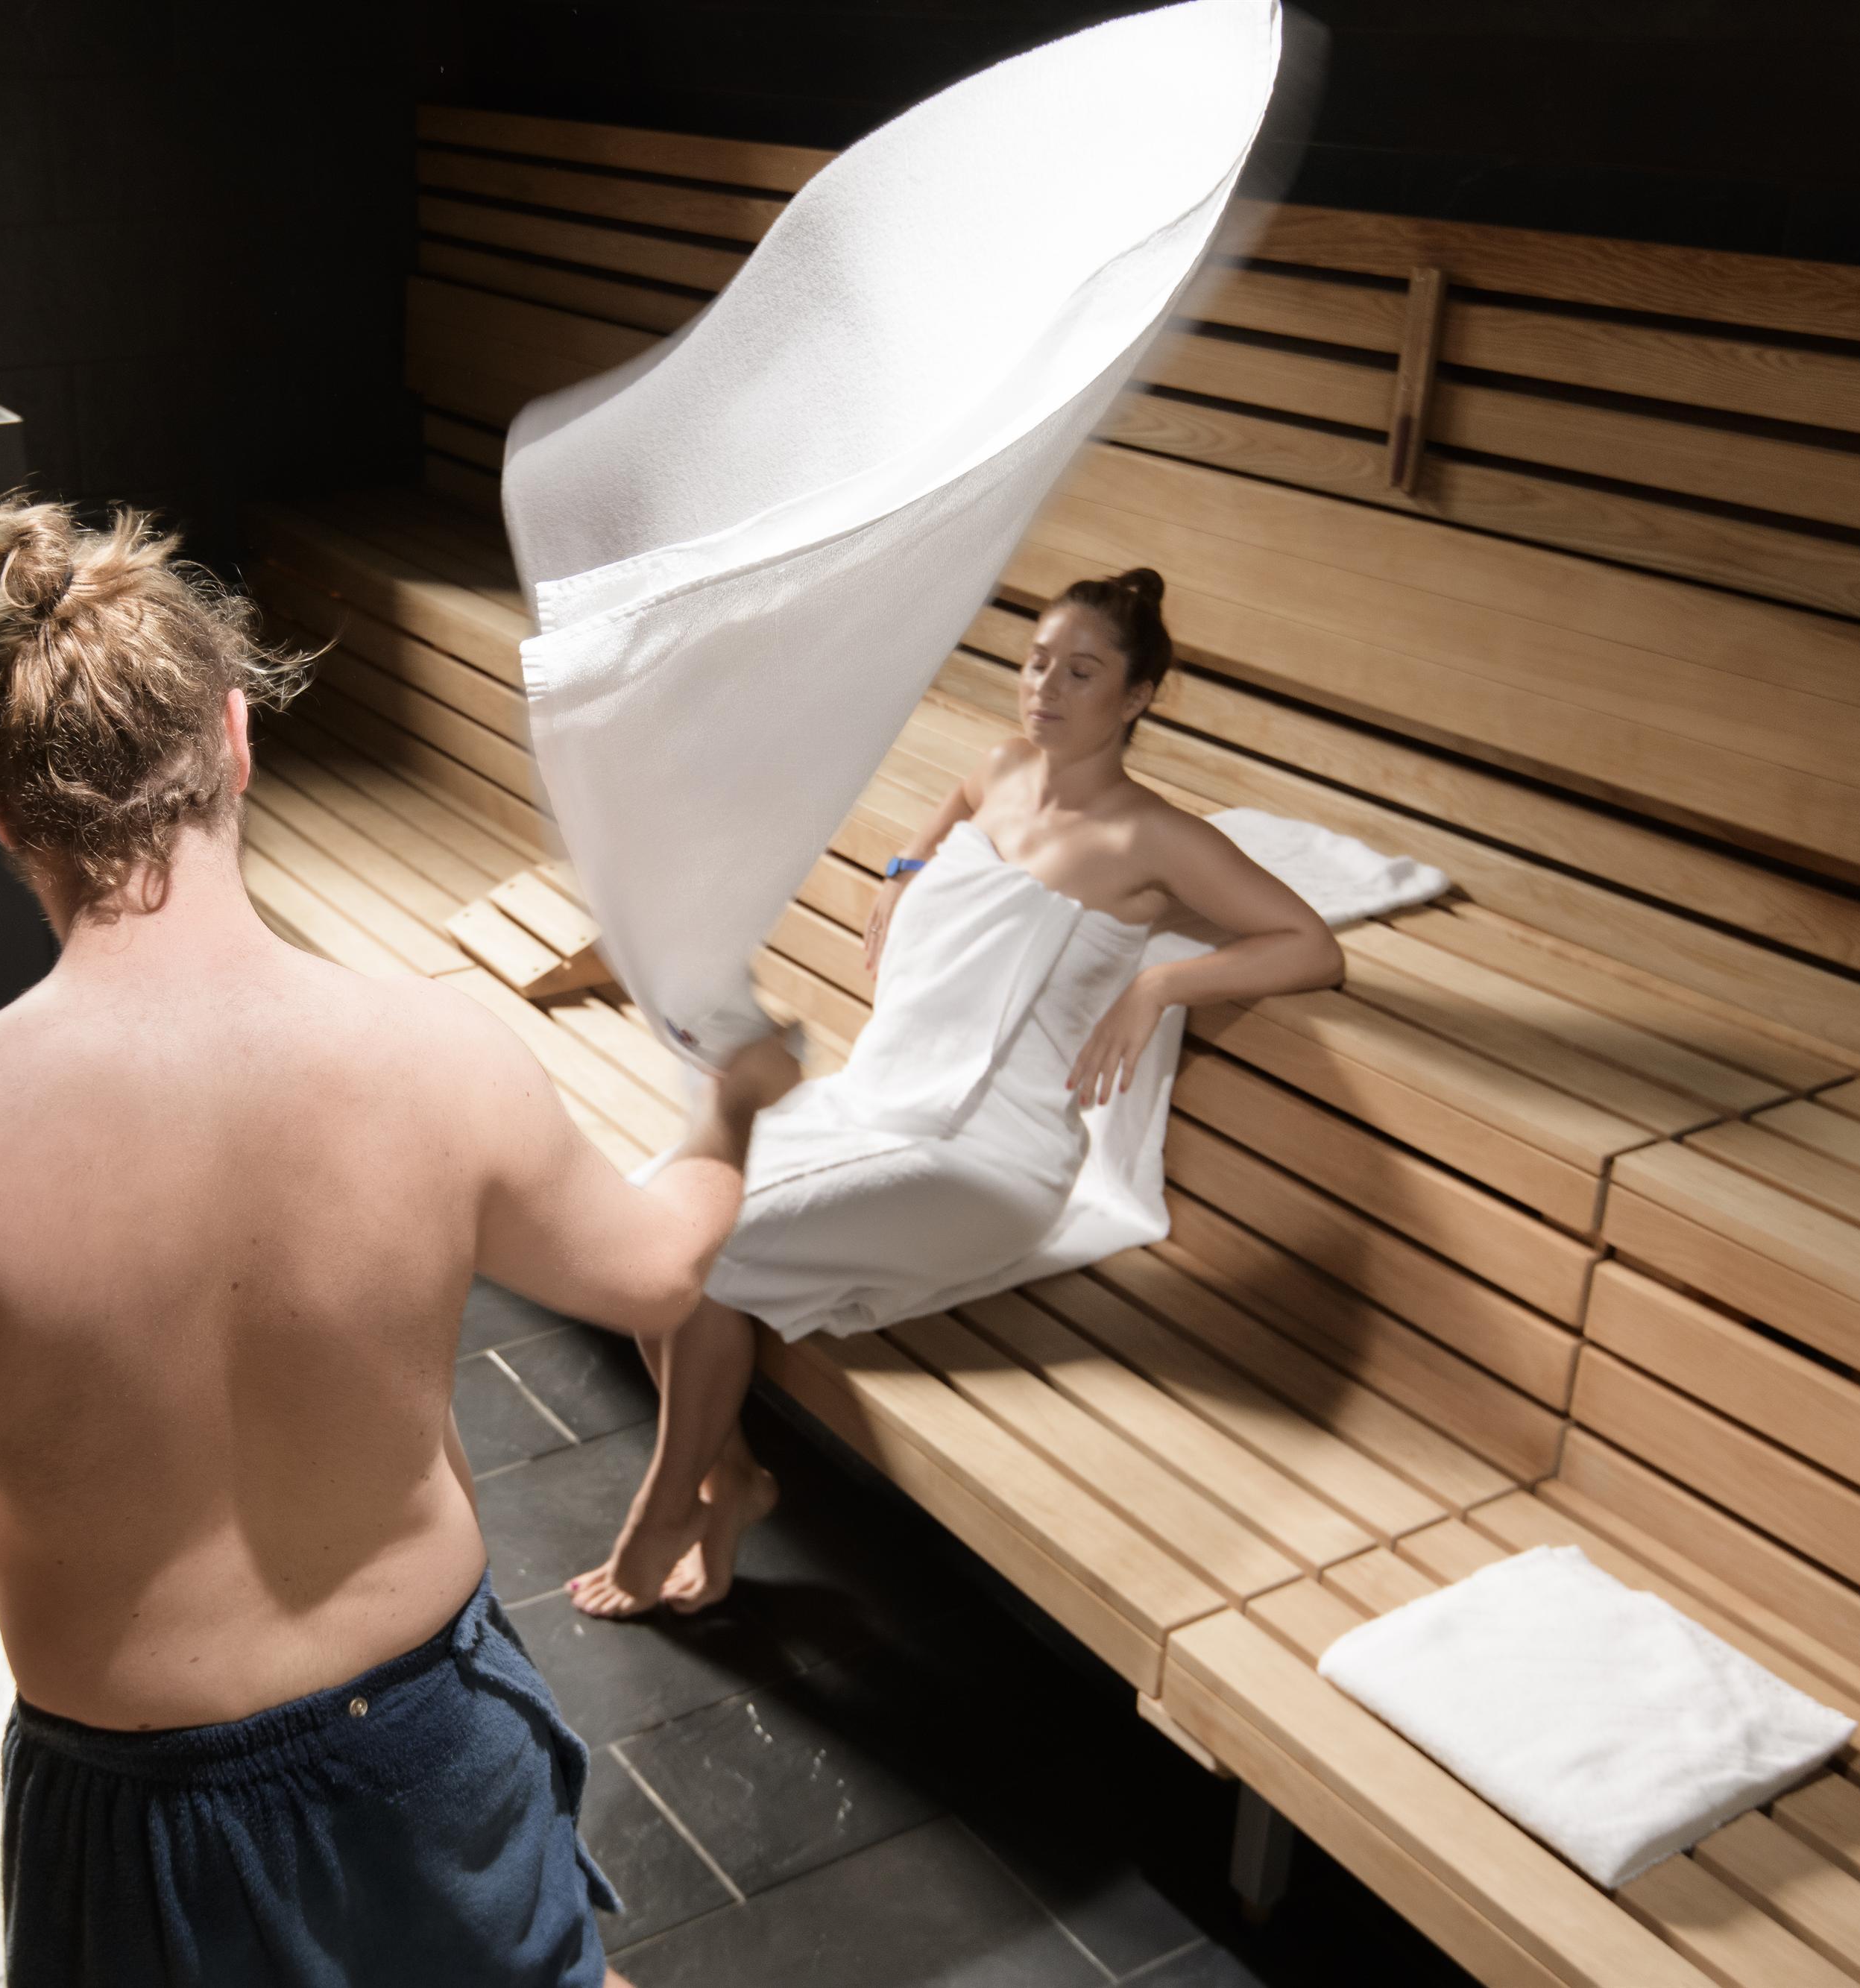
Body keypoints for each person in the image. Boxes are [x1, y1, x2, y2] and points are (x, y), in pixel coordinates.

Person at [0, 499, 798, 1988]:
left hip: (147, 1815)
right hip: (433, 1738)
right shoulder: (437, 1053)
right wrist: (729, 1112)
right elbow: (654, 1271)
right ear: (237, 737)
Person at [567, 568, 1346, 1619]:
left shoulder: (1156, 839)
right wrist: (905, 867)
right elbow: (951, 813)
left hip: (986, 1158)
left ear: (1138, 696)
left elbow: (1310, 945)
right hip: (872, 1102)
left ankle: (661, 1514)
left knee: (696, 1253)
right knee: (659, 1225)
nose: (1045, 688)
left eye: (1081, 672)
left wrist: (1159, 984)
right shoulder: (999, 768)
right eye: (1036, 661)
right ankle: (730, 1483)